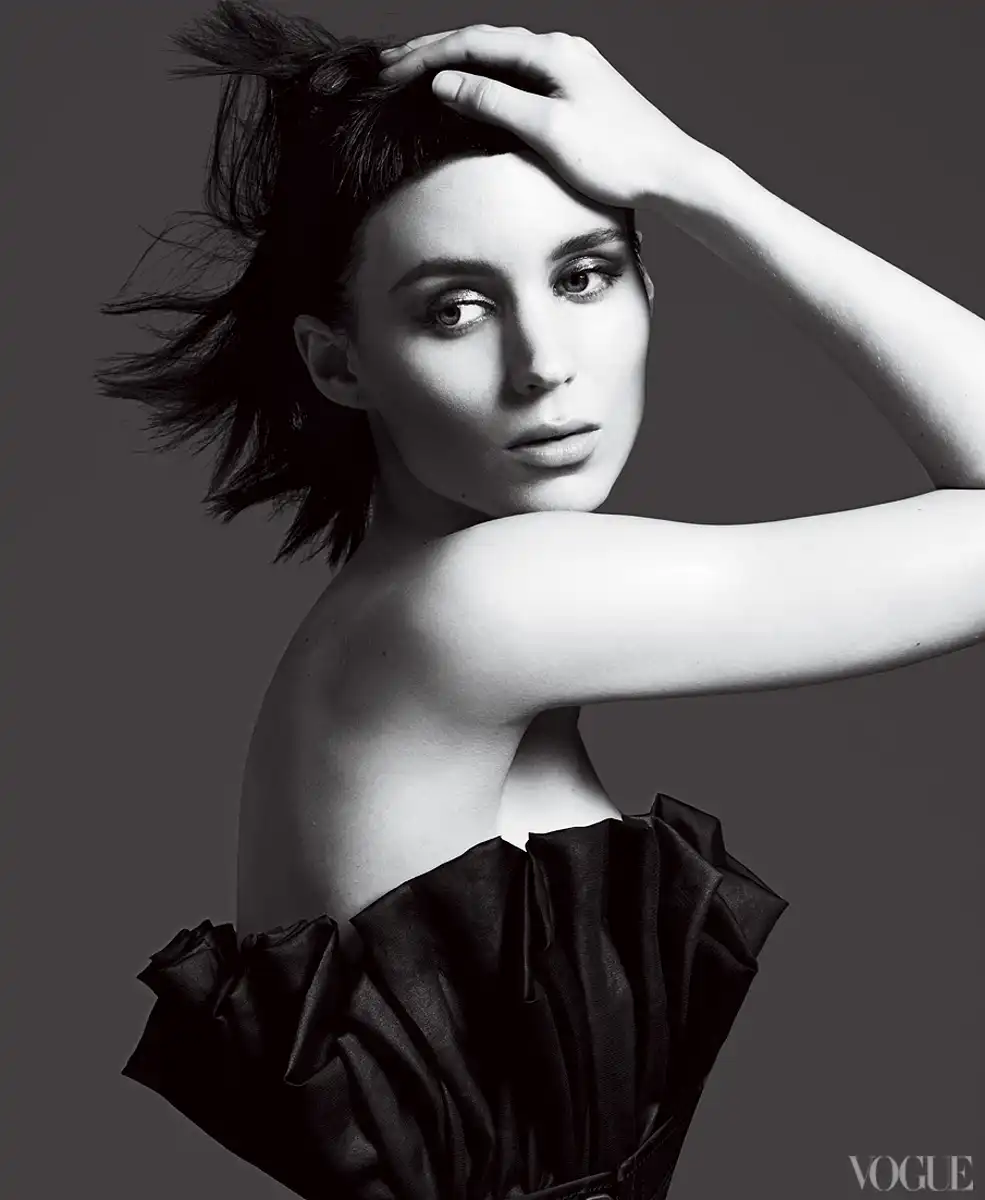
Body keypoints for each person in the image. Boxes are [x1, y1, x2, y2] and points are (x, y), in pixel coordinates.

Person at [100, 3, 985, 1198]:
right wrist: (700, 182)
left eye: (582, 276)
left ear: (645, 287)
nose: (545, 364)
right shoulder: (478, 605)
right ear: (339, 363)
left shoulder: (409, 613)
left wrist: (677, 179)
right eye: (455, 309)